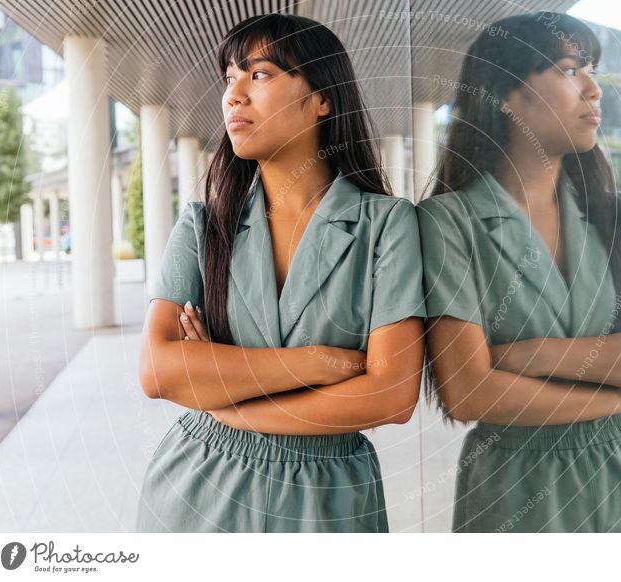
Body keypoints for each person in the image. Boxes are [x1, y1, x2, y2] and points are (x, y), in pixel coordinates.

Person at [416, 11, 621, 533]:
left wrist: (524, 356)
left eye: (591, 69)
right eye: (571, 69)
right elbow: (470, 393)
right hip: (518, 484)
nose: (594, 90)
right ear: (505, 96)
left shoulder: (615, 215)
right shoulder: (448, 223)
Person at [135, 13, 425, 533]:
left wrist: (226, 394)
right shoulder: (202, 228)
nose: (234, 95)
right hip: (199, 487)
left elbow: (392, 395)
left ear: (322, 97)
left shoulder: (387, 225)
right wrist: (317, 363)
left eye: (260, 74)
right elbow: (159, 372)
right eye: (229, 78)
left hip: (330, 498)